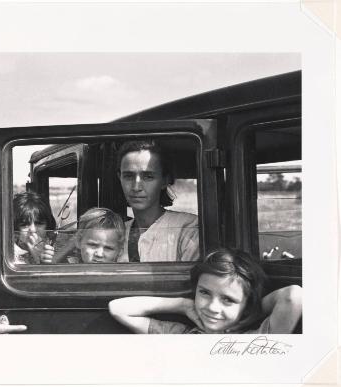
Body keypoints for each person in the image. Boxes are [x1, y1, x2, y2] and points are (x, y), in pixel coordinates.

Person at [108, 248, 302, 334]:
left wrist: (249, 314)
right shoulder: (181, 335)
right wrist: (183, 305)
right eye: (205, 293)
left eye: (228, 299)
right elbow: (118, 308)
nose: (212, 307)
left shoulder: (256, 340)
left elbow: (293, 296)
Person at [116, 140, 199, 262]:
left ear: (164, 181)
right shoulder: (117, 232)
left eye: (148, 177)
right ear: (120, 178)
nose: (136, 187)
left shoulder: (187, 228)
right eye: (128, 176)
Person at [13, 191, 56, 264]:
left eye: (39, 223)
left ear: (48, 225)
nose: (32, 230)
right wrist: (38, 258)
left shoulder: (54, 246)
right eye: (25, 225)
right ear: (16, 228)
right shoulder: (9, 257)